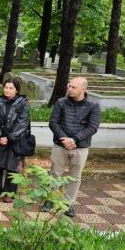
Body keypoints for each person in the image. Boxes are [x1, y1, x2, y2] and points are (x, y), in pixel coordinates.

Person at [45, 77, 100, 217]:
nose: (70, 89)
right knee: (55, 174)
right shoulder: (61, 103)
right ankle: (51, 200)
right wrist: (65, 139)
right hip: (60, 145)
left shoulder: (93, 105)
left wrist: (75, 139)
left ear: (84, 89)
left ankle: (68, 203)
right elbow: (53, 122)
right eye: (69, 86)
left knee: (75, 177)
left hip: (80, 147)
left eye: (74, 87)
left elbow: (92, 127)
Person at [0, 78, 30, 202]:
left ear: (16, 90)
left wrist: (10, 138)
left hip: (14, 139)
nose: (7, 90)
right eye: (6, 87)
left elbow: (23, 122)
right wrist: (0, 137)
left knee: (12, 167)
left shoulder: (23, 102)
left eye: (11, 88)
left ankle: (9, 192)